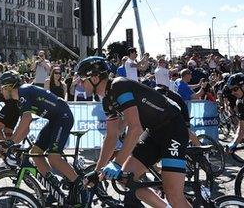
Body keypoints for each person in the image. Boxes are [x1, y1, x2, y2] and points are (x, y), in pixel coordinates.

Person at [76, 56, 190, 208]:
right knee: (125, 178)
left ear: (95, 78)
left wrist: (116, 163)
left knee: (173, 194)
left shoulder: (119, 86)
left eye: (82, 79)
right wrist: (97, 172)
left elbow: (135, 128)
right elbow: (111, 136)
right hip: (154, 132)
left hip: (173, 130)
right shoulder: (107, 101)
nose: (79, 83)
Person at [0, 70, 82, 202]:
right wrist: (13, 144)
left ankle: (81, 187)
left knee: (53, 157)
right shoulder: (20, 98)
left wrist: (10, 142)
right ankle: (54, 189)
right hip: (54, 120)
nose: (0, 92)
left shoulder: (23, 91)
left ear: (8, 87)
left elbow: (26, 119)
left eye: (1, 88)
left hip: (63, 117)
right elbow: (25, 129)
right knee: (36, 153)